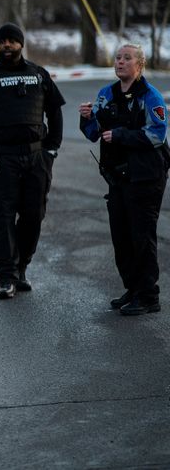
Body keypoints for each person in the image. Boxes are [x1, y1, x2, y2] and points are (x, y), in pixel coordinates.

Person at [0, 23, 65, 299]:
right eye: (3, 41)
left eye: (12, 41)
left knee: (34, 215)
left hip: (35, 156)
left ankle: (21, 268)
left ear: (21, 44)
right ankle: (6, 277)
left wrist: (51, 149)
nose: (7, 45)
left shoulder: (38, 74)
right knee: (1, 217)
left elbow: (55, 110)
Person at [79, 44, 169, 315]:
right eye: (117, 58)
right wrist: (85, 118)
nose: (120, 62)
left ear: (139, 65)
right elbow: (94, 133)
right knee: (121, 236)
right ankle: (133, 289)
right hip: (118, 176)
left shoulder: (150, 96)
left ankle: (149, 296)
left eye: (127, 58)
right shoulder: (106, 94)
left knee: (142, 236)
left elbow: (158, 135)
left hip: (146, 176)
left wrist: (120, 135)